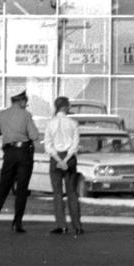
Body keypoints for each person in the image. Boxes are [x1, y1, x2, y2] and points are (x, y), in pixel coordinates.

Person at [0, 90, 40, 233]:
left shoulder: (2, 114)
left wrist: (7, 132)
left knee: (3, 187)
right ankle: (17, 223)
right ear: (21, 101)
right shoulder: (26, 115)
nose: (26, 105)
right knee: (22, 188)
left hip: (9, 153)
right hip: (23, 152)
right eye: (26, 102)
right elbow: (34, 135)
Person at [44, 96, 83, 236]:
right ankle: (77, 225)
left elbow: (48, 144)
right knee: (72, 192)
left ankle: (61, 225)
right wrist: (66, 159)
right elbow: (75, 144)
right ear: (66, 107)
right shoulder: (73, 123)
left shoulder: (50, 123)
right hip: (69, 158)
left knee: (57, 193)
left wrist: (58, 160)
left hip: (55, 158)